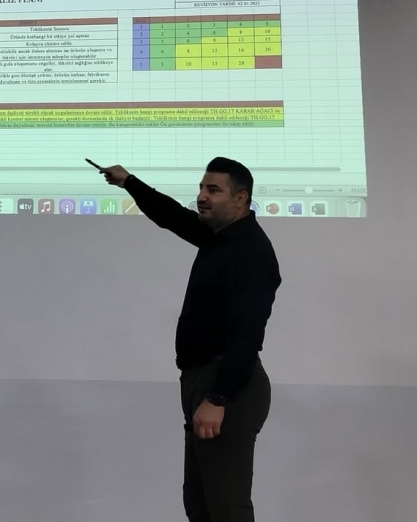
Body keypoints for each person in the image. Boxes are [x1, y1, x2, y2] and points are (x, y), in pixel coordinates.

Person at [98, 157, 281, 522]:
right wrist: (129, 182)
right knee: (199, 504)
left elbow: (247, 336)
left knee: (226, 508)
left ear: (241, 198)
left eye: (213, 190)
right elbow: (173, 216)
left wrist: (218, 397)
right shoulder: (220, 236)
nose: (202, 196)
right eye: (201, 188)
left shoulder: (251, 251)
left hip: (227, 386)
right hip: (203, 380)